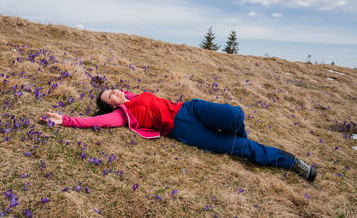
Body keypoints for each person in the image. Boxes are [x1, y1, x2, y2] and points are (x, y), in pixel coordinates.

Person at [41, 89, 317, 181]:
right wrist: (64, 120)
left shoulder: (136, 94)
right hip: (184, 130)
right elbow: (93, 121)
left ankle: (239, 137)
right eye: (110, 95)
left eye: (112, 88)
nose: (115, 91)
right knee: (243, 149)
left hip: (189, 109)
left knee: (235, 115)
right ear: (111, 105)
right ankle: (291, 163)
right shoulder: (122, 115)